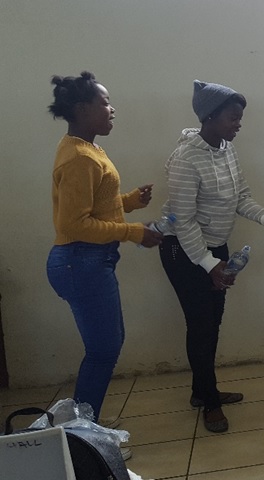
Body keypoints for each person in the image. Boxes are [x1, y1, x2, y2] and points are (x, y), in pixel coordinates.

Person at [159, 80, 264, 432]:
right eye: (233, 118)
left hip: (215, 248)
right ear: (210, 117)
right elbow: (181, 220)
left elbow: (242, 197)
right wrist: (209, 264)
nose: (239, 124)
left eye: (239, 118)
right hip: (182, 251)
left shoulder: (226, 149)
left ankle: (202, 391)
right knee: (201, 325)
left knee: (212, 322)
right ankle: (210, 402)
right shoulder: (186, 159)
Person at [46, 72, 162, 461]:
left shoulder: (86, 148)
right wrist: (134, 231)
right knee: (102, 350)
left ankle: (83, 432)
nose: (112, 109)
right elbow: (74, 225)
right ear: (82, 109)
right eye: (105, 102)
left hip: (88, 262)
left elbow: (95, 207)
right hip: (81, 262)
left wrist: (128, 201)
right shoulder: (79, 156)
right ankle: (83, 442)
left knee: (105, 346)